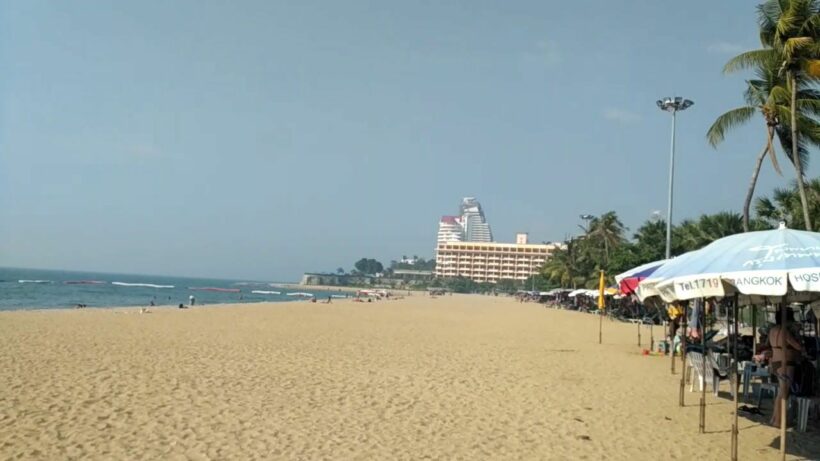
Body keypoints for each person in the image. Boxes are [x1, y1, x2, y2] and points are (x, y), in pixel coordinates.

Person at [769, 309, 805, 428]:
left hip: (776, 362)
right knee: (784, 393)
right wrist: (798, 333)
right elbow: (797, 346)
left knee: (780, 392)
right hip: (786, 363)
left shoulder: (773, 330)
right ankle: (779, 420)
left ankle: (774, 418)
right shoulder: (784, 331)